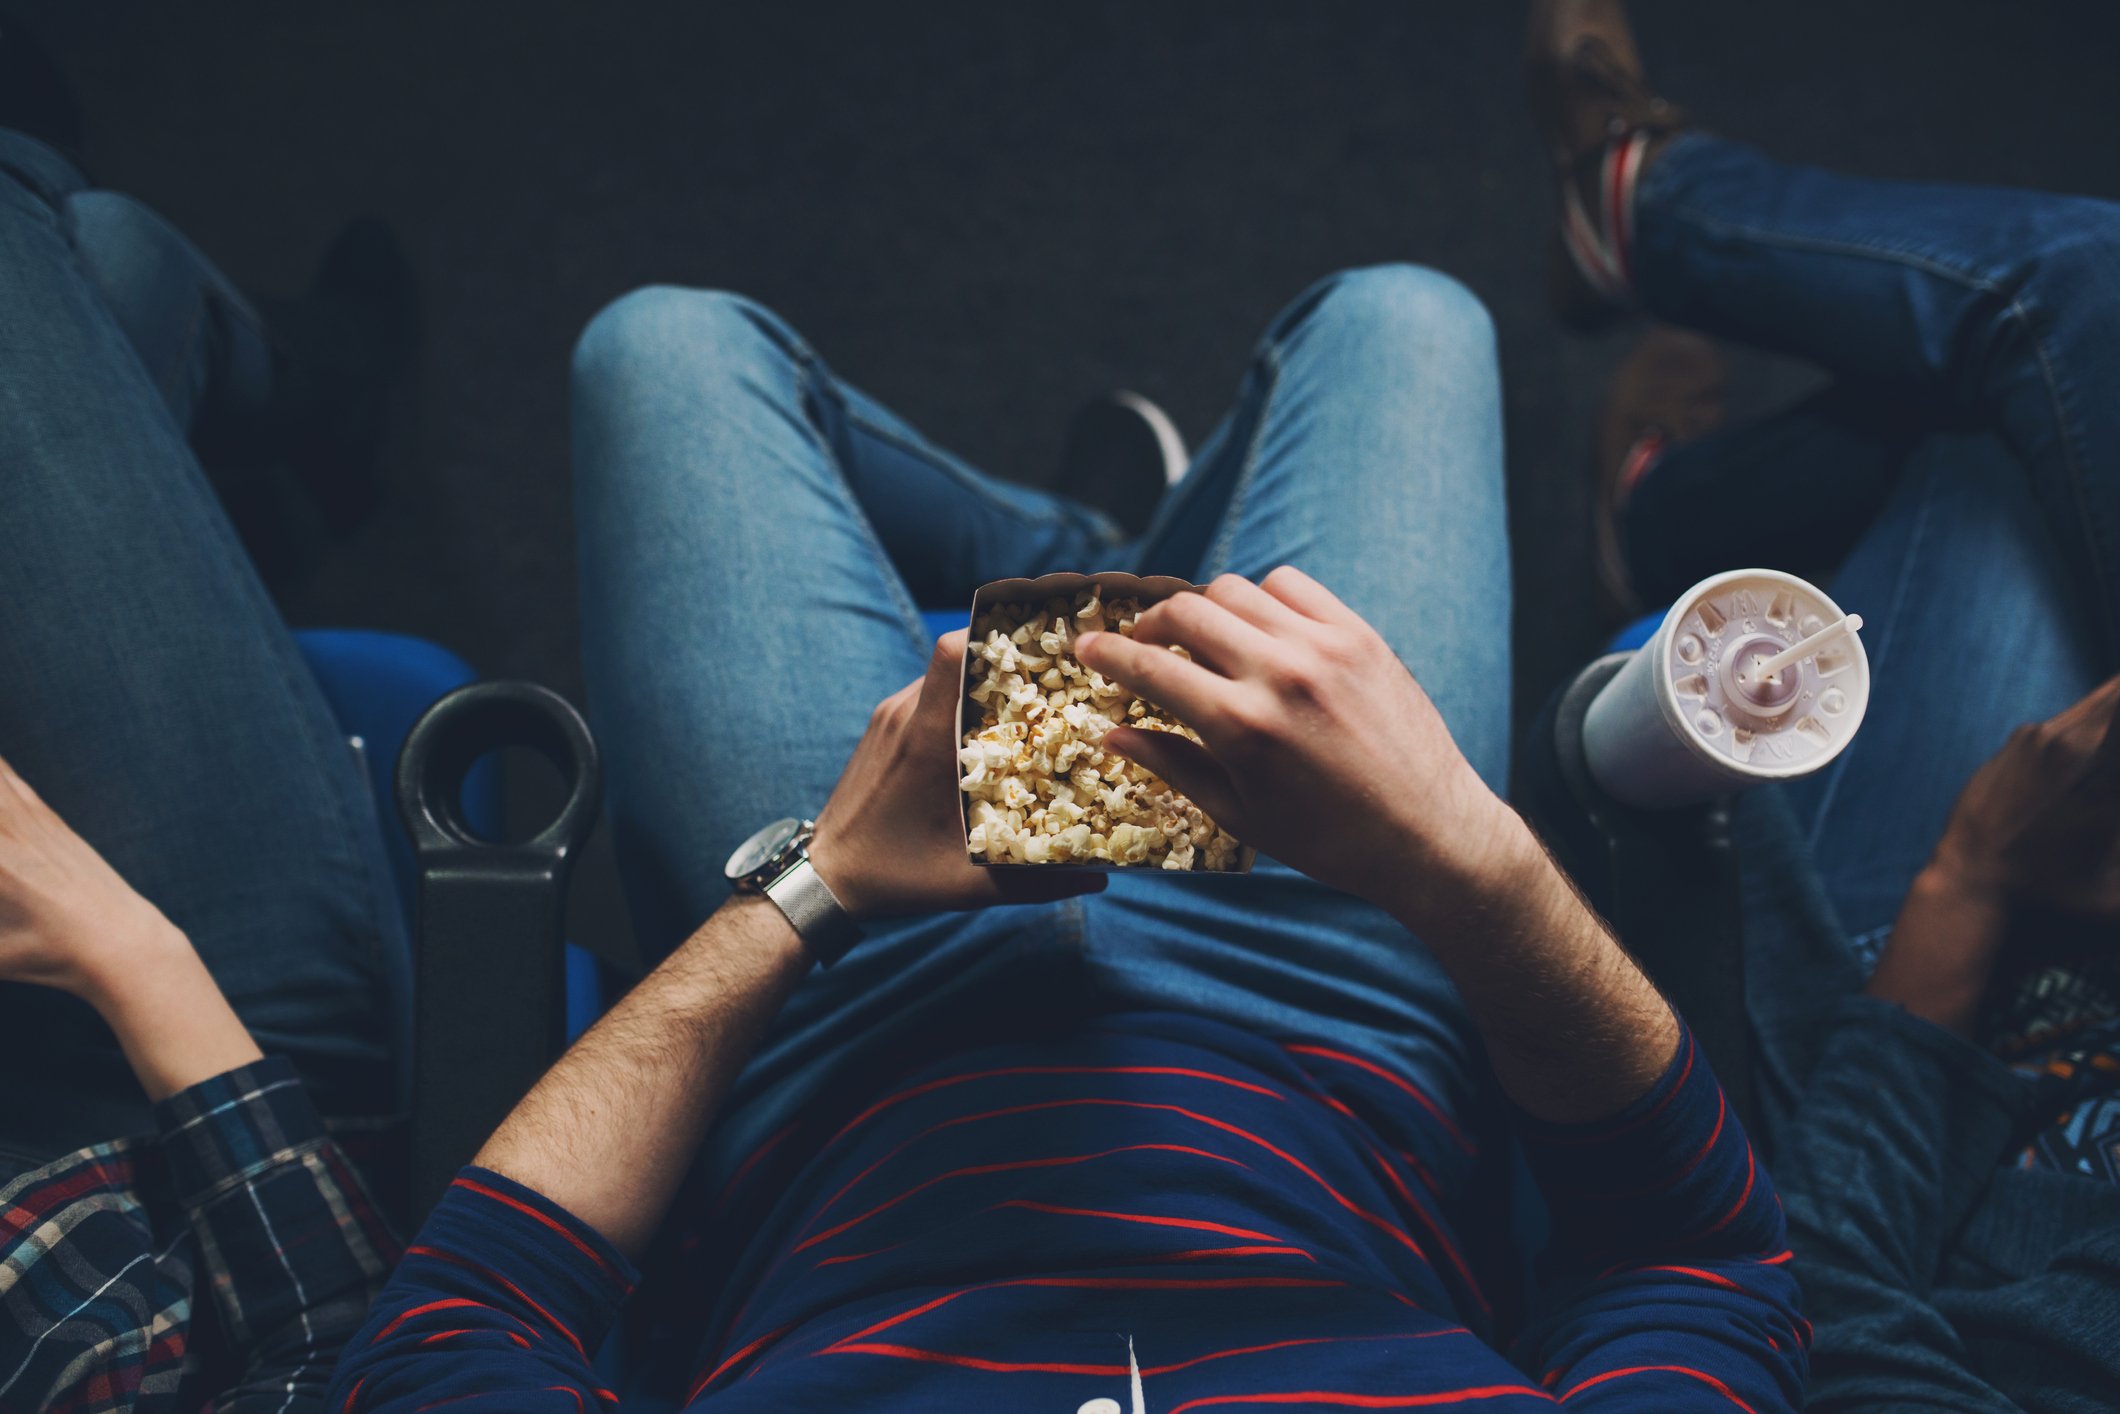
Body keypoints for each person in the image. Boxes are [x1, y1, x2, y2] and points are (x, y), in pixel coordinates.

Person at [326, 213, 1806, 1414]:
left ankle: (1073, 554)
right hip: (1329, 1004)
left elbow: (452, 1333)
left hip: (846, 1045)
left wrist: (812, 888)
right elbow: (1701, 1264)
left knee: (666, 349)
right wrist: (1460, 848)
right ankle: (1092, 552)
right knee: (1399, 318)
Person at [1524, 0, 2120, 1403]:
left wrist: (1972, 875)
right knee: (2045, 385)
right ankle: (1664, 495)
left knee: (2055, 339)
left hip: (1918, 1021)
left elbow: (1831, 1301)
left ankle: (1645, 218)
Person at [0, 103, 414, 1411]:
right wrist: (126, 951)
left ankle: (306, 392)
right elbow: (337, 1358)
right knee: (63, 253)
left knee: (105, 268)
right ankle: (318, 392)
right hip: (190, 1122)